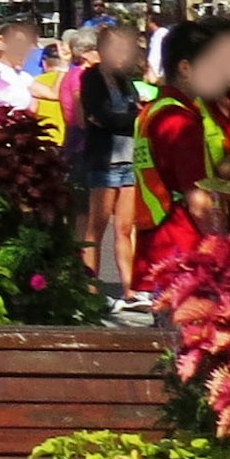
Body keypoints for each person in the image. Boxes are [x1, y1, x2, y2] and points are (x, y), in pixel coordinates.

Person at [129, 14, 230, 311]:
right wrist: (222, 254)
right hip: (185, 250)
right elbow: (199, 200)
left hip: (167, 248)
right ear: (185, 68)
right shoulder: (179, 118)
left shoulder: (155, 110)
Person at [64, 22, 145, 296]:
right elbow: (99, 116)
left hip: (129, 158)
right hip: (104, 159)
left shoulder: (125, 80)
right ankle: (90, 287)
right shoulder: (91, 78)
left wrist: (128, 117)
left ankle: (129, 287)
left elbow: (130, 113)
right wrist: (131, 117)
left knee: (125, 227)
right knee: (95, 228)